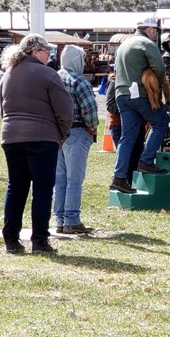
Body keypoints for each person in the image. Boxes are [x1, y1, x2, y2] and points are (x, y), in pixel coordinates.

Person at [0, 33, 73, 255]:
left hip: (11, 137)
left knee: (16, 188)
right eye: (46, 51)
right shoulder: (48, 75)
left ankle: (11, 239)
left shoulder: (7, 75)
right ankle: (40, 240)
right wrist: (61, 134)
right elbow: (65, 111)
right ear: (35, 52)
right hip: (42, 137)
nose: (49, 55)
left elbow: (3, 108)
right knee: (42, 189)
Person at [109, 17, 169, 194]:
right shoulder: (147, 44)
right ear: (150, 29)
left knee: (127, 138)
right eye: (155, 31)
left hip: (122, 95)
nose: (156, 34)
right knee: (160, 123)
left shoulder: (123, 45)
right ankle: (146, 161)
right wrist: (158, 89)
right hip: (141, 95)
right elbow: (159, 69)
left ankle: (119, 178)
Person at [53, 45, 98, 235]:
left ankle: (60, 219)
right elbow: (90, 110)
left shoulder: (53, 78)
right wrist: (92, 129)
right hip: (77, 131)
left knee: (60, 178)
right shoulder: (79, 80)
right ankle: (72, 219)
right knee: (74, 179)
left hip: (56, 133)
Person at [105, 71, 144, 175]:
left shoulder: (139, 77)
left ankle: (131, 186)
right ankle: (121, 183)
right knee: (126, 161)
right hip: (119, 125)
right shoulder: (115, 80)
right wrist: (129, 113)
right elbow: (110, 104)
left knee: (136, 162)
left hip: (138, 125)